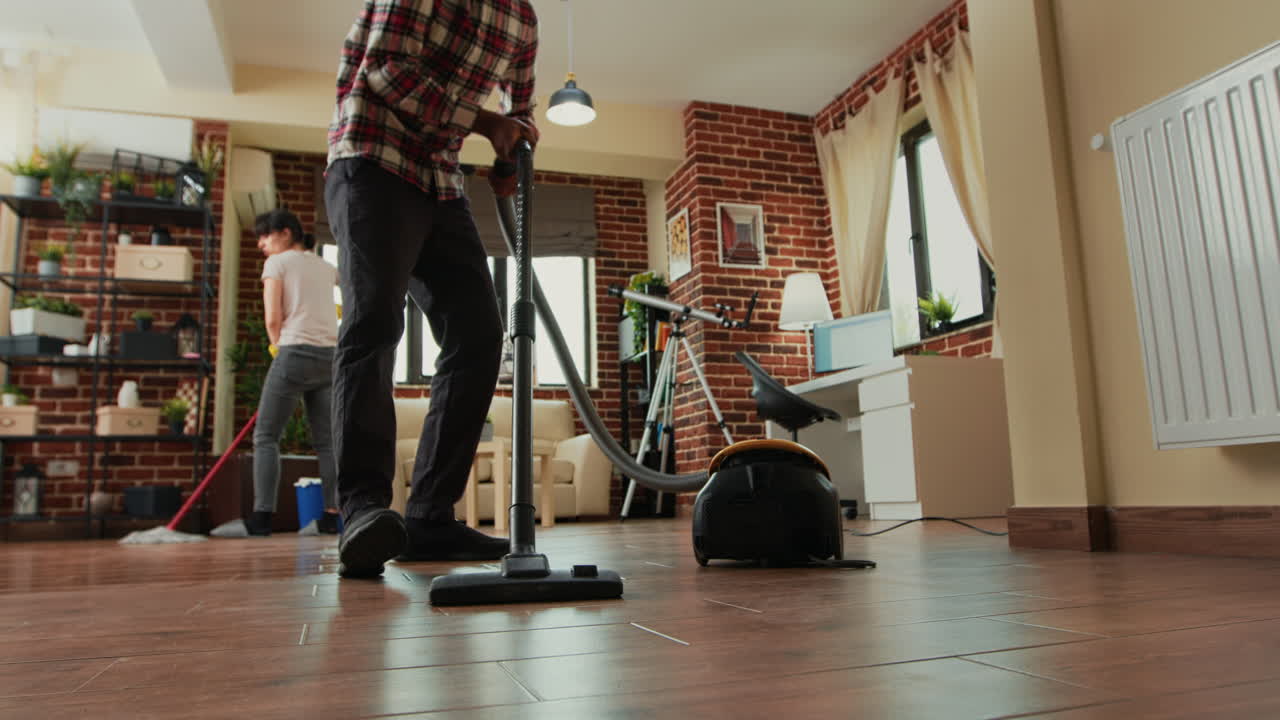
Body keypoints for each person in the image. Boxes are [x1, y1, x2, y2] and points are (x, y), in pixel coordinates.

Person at [324, 0, 540, 578]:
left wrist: (515, 149)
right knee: (374, 321)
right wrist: (487, 124)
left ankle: (428, 519)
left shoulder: (524, 19)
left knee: (478, 336)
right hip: (372, 155)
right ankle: (364, 511)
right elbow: (385, 70)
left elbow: (520, 109)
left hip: (440, 180)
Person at [247, 209, 341, 537]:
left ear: (286, 233)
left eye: (265, 235)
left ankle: (261, 518)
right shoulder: (327, 267)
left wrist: (276, 345)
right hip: (329, 357)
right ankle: (332, 515)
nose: (261, 243)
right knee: (328, 443)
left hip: (293, 352)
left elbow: (273, 316)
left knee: (266, 436)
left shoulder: (278, 262)